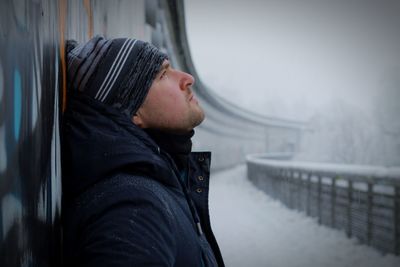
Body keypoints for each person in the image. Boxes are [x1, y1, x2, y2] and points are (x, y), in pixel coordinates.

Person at [61, 35, 225, 267]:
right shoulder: (131, 210)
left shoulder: (150, 182)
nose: (187, 78)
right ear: (132, 111)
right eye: (163, 74)